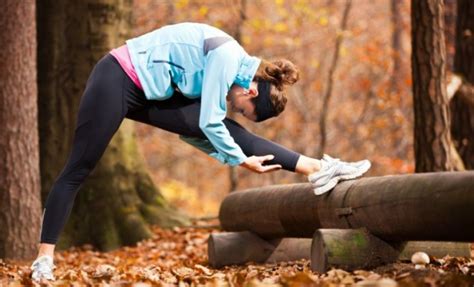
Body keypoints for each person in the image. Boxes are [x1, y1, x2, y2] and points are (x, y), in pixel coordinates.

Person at [30, 22, 370, 282]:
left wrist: (229, 155)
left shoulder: (232, 68)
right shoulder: (227, 56)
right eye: (243, 108)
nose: (235, 108)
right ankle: (44, 259)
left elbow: (195, 131)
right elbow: (209, 122)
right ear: (251, 89)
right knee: (79, 167)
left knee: (232, 133)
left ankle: (319, 168)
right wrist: (238, 159)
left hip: (150, 92)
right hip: (117, 76)